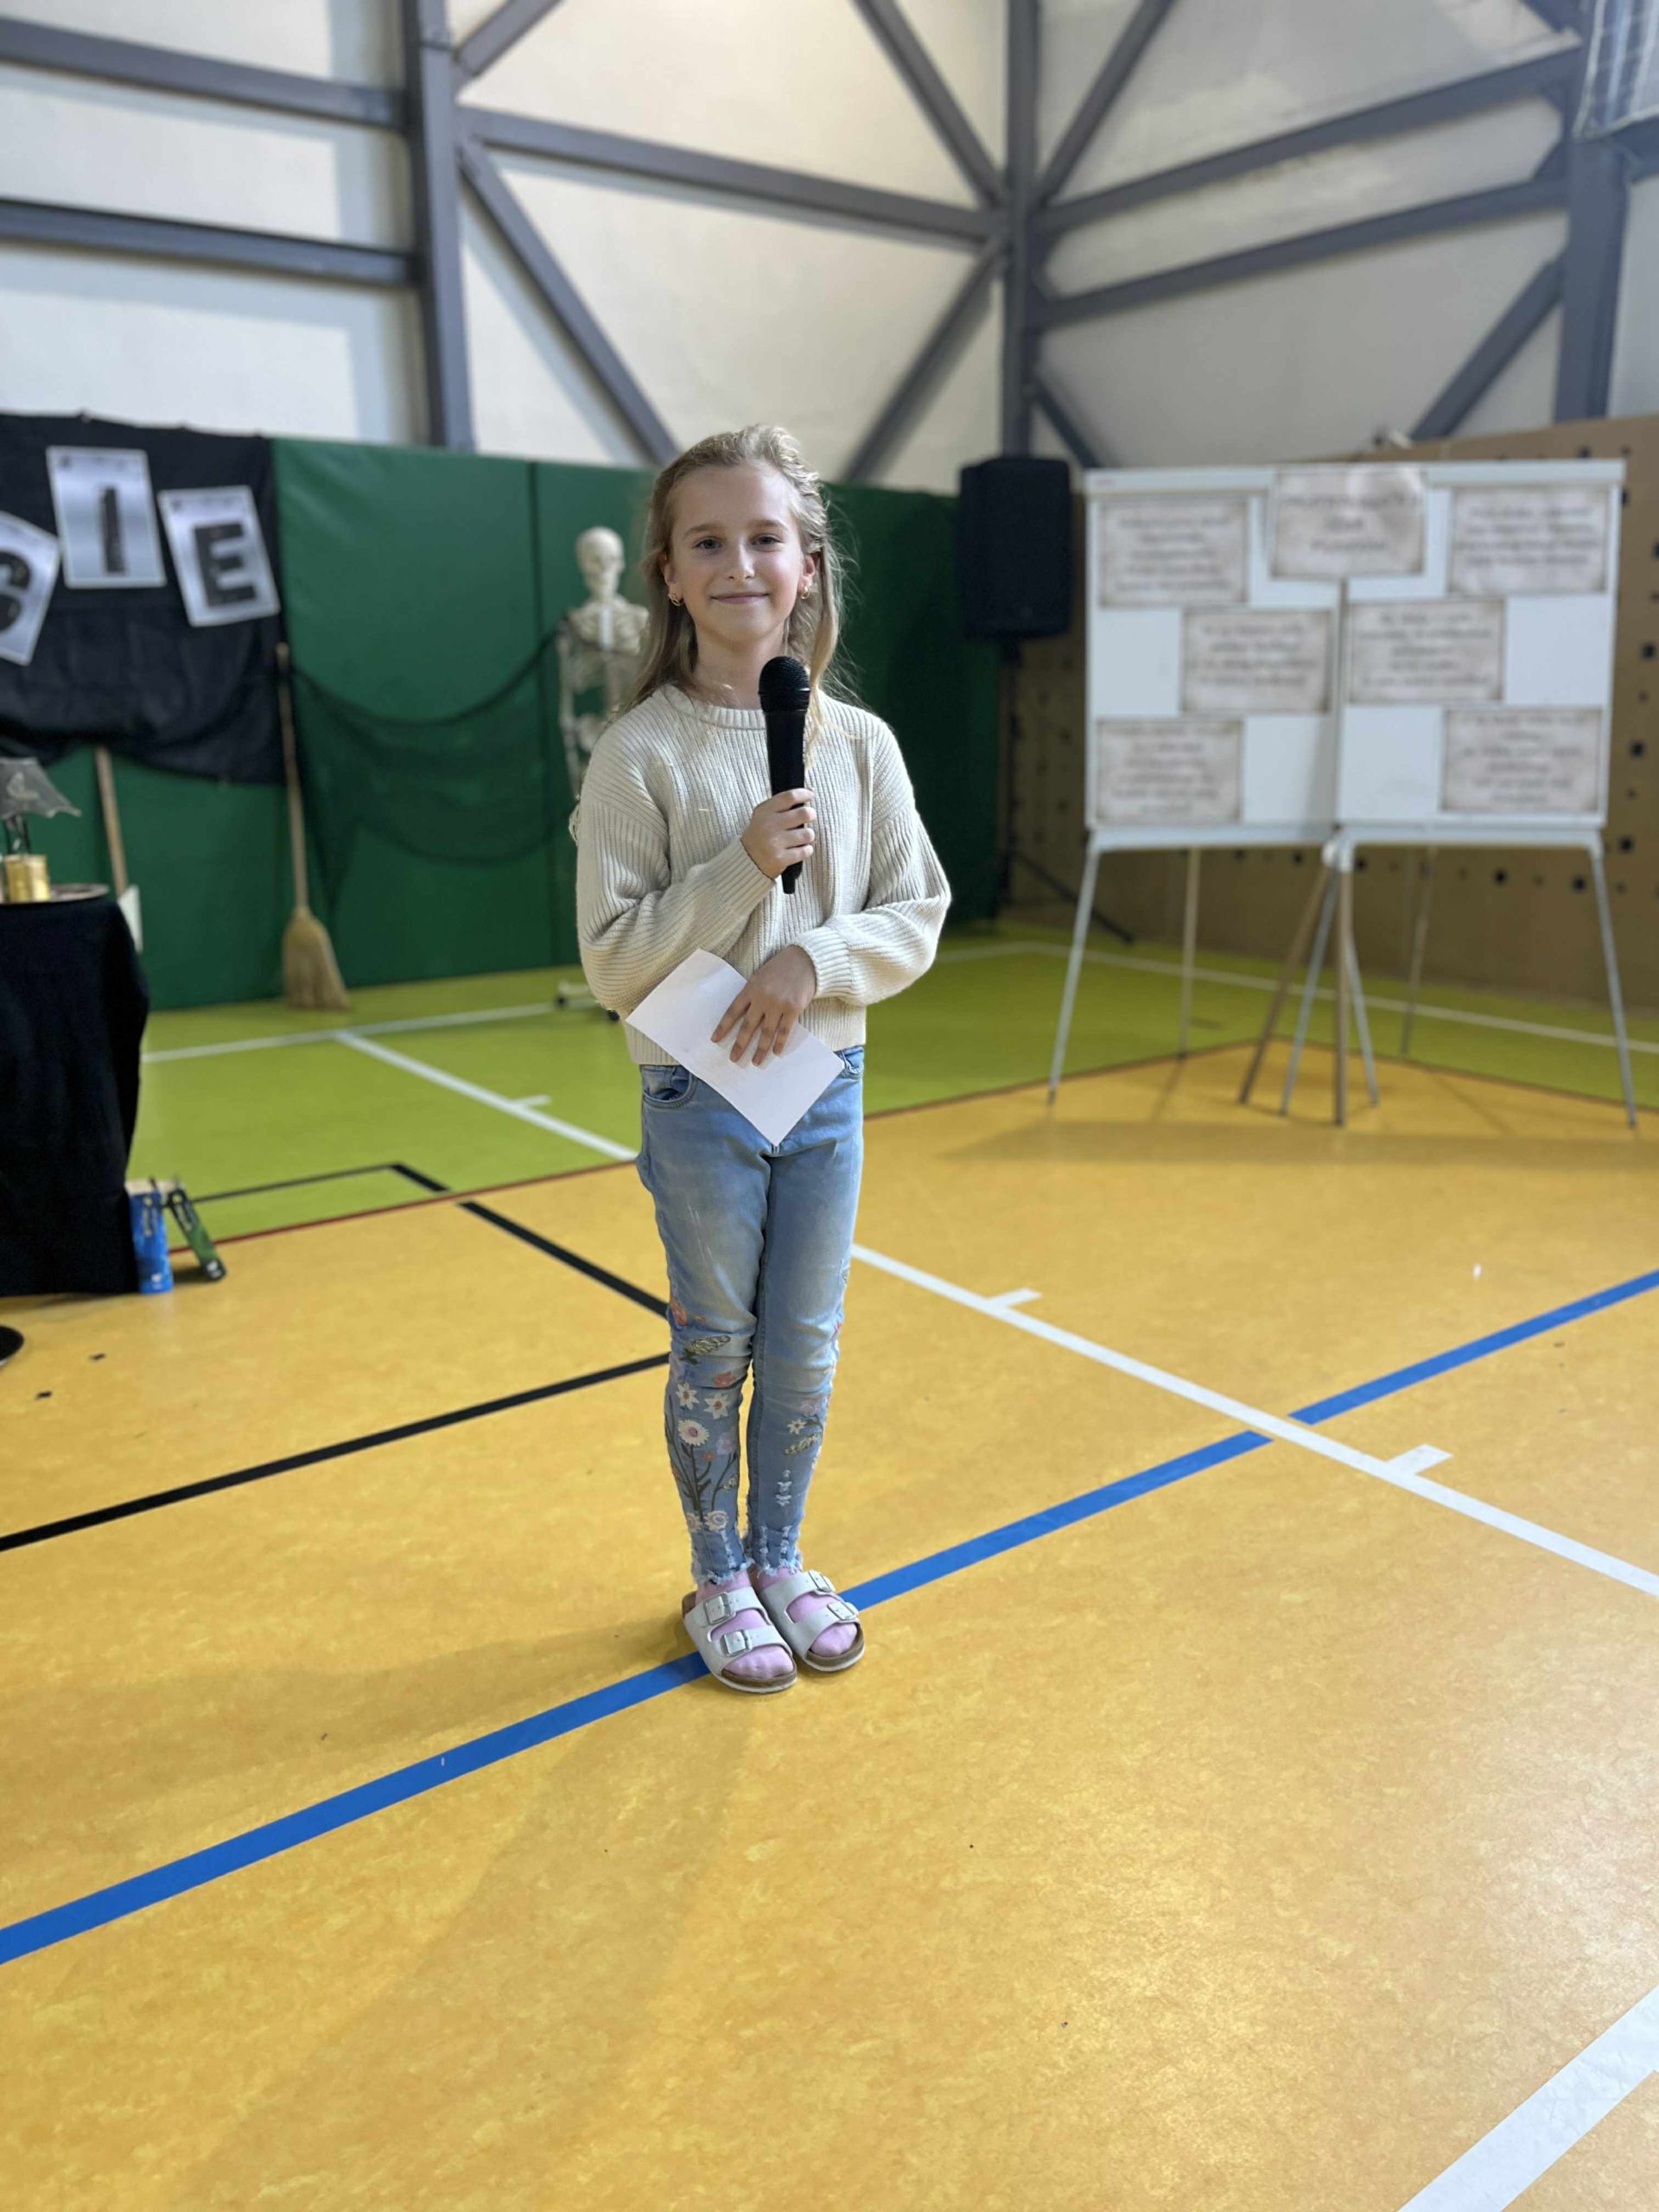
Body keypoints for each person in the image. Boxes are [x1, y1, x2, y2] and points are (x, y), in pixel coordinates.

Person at [574, 424, 951, 1694]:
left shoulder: (860, 746)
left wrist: (813, 960)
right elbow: (613, 960)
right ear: (670, 577)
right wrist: (740, 866)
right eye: (708, 542)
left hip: (825, 1085)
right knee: (715, 1345)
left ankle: (783, 1557)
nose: (739, 564)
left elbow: (917, 910)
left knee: (805, 1345)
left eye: (765, 538)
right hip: (698, 1096)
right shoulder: (640, 754)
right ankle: (719, 1573)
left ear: (808, 567)